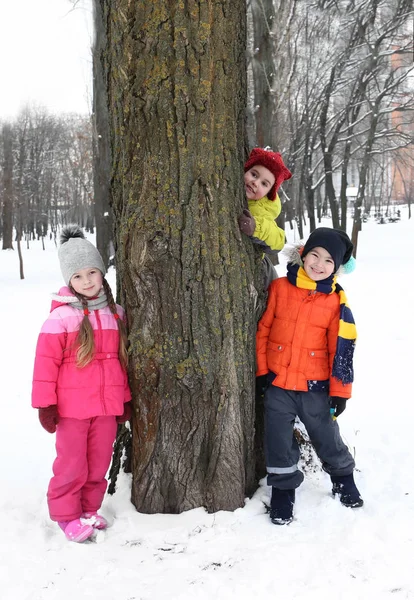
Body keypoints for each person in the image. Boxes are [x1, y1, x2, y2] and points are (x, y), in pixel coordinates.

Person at [256, 227, 363, 525]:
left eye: (328, 260)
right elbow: (263, 330)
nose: (318, 264)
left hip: (315, 387)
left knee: (326, 435)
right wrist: (262, 372)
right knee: (277, 438)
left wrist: (340, 392)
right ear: (302, 254)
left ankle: (343, 478)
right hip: (278, 383)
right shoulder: (280, 288)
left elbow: (341, 351)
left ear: (337, 267)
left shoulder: (335, 302)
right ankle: (283, 491)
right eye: (314, 254)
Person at [31, 225, 132, 543]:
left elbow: (121, 362)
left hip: (105, 408)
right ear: (68, 281)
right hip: (72, 410)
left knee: (99, 461)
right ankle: (65, 515)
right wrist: (45, 404)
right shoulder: (60, 319)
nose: (87, 281)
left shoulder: (116, 314)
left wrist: (124, 399)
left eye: (92, 272)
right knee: (72, 463)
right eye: (78, 276)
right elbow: (44, 366)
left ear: (102, 272)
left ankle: (89, 508)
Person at [238, 147, 292, 288]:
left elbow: (279, 240)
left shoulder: (262, 207)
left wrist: (256, 226)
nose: (255, 182)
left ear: (269, 192)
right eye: (254, 174)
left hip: (262, 270)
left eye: (264, 184)